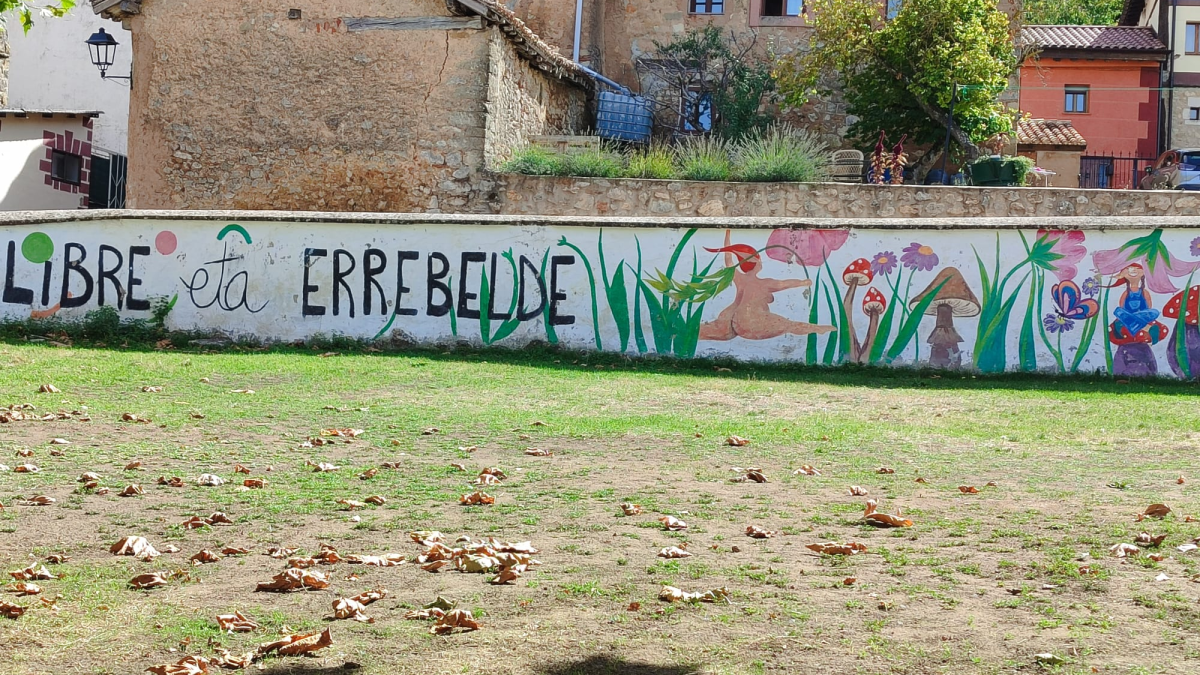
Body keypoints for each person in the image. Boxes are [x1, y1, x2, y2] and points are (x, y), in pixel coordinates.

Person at [699, 231, 835, 341]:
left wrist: (727, 237)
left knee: (703, 331)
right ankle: (817, 329)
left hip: (730, 317)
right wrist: (803, 282)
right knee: (789, 325)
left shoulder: (740, 279)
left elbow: (729, 261)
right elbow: (783, 284)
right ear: (757, 264)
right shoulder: (764, 283)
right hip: (750, 319)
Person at [1110, 263, 1159, 336]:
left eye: (1137, 269)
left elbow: (1149, 306)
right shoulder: (1126, 293)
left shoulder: (1144, 292)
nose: (1133, 271)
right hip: (1128, 313)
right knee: (1118, 311)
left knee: (1155, 312)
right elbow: (1121, 306)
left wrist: (1137, 315)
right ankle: (1147, 328)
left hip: (1140, 314)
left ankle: (1125, 323)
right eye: (1128, 269)